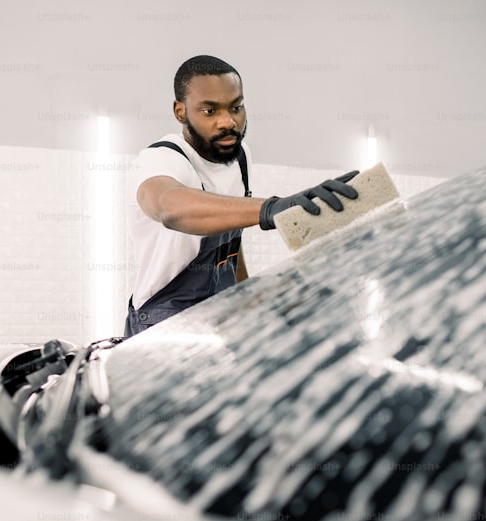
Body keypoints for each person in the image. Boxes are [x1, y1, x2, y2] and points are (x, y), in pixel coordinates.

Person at [125, 54, 360, 336]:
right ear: (180, 111)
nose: (228, 122)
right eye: (210, 111)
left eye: (236, 107)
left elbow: (229, 243)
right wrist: (270, 209)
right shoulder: (161, 159)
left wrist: (246, 297)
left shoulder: (240, 156)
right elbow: (168, 207)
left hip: (217, 312)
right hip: (162, 320)